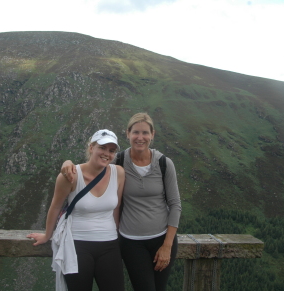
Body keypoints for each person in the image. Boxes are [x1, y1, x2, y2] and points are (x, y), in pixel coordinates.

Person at [61, 113, 182, 291]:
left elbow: (175, 204)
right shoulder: (119, 161)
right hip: (132, 242)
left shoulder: (164, 164)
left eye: (145, 133)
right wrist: (68, 162)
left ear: (152, 135)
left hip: (162, 240)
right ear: (128, 133)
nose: (140, 138)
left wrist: (167, 245)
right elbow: (92, 166)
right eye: (135, 132)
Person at [27, 129, 125, 291]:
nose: (107, 153)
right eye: (102, 147)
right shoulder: (71, 175)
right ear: (91, 147)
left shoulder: (118, 173)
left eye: (111, 150)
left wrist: (118, 234)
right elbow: (55, 206)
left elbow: (117, 207)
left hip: (109, 245)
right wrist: (47, 235)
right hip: (77, 246)